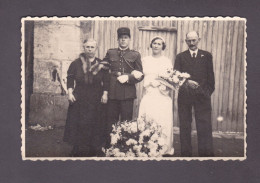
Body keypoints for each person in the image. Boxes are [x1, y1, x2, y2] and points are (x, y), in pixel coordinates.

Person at [63, 39, 110, 157]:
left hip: (96, 97)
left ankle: (95, 148)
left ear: (96, 48)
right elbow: (70, 78)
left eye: (92, 47)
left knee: (96, 122)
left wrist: (105, 94)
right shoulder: (76, 63)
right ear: (84, 48)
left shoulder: (101, 64)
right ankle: (77, 148)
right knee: (78, 122)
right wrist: (69, 93)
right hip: (80, 96)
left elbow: (106, 81)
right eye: (87, 47)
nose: (90, 49)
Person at [174, 31, 215, 157]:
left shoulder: (206, 56)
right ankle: (186, 154)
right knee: (185, 125)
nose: (191, 43)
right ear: (186, 41)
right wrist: (187, 83)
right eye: (189, 41)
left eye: (194, 40)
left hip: (202, 96)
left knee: (204, 125)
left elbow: (211, 78)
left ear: (199, 39)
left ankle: (206, 154)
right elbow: (176, 76)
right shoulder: (180, 57)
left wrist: (207, 92)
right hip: (185, 96)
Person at [103, 27, 143, 147]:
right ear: (118, 39)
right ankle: (110, 146)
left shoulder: (135, 54)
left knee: (126, 121)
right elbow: (104, 69)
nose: (123, 40)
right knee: (111, 121)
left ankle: (124, 147)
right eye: (121, 38)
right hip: (113, 91)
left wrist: (129, 78)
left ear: (129, 39)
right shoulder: (111, 52)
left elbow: (140, 75)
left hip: (127, 92)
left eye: (125, 38)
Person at [138, 36, 174, 156]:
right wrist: (148, 83)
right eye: (154, 43)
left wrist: (161, 84)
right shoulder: (144, 60)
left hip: (162, 94)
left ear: (162, 47)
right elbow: (140, 76)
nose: (156, 46)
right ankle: (146, 147)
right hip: (149, 93)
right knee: (147, 118)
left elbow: (170, 79)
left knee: (161, 120)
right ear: (151, 45)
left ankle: (163, 148)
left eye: (159, 44)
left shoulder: (166, 61)